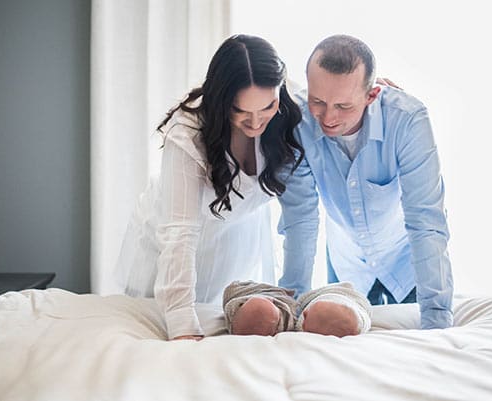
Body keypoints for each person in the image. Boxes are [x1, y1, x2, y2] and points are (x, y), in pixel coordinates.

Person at [115, 34, 304, 341]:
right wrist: (182, 327)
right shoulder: (187, 134)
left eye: (267, 107)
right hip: (174, 247)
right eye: (241, 111)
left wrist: (381, 99)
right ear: (221, 101)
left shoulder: (287, 108)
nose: (256, 123)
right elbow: (179, 233)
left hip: (239, 241)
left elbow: (335, 104)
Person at [277, 34, 454, 330]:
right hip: (347, 267)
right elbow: (300, 220)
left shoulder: (408, 120)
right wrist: (291, 312)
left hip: (409, 266)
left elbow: (426, 221)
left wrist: (438, 323)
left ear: (372, 95)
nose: (328, 117)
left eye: (343, 106)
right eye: (318, 101)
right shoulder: (297, 122)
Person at [223, 280, 371, 337]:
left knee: (249, 293)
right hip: (332, 296)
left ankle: (271, 311)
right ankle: (337, 302)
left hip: (266, 293)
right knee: (342, 297)